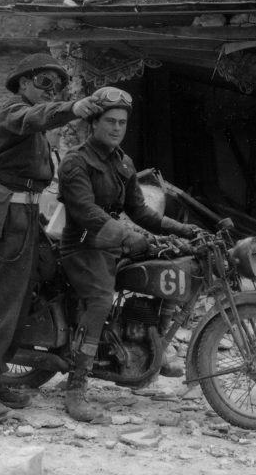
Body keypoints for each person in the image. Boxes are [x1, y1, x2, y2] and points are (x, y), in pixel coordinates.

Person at [0, 53, 102, 423]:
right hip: (3, 218)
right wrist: (74, 107)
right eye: (44, 82)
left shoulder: (35, 130)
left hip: (25, 217)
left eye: (57, 86)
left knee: (22, 298)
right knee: (0, 300)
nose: (51, 90)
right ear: (23, 83)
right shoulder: (11, 113)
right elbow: (36, 116)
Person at [58, 86, 199, 422]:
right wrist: (127, 236)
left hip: (112, 243)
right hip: (83, 244)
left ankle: (154, 349)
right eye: (110, 121)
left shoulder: (123, 162)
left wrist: (182, 229)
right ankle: (76, 387)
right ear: (94, 123)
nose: (117, 128)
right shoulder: (76, 161)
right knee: (100, 300)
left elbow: (140, 211)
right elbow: (86, 211)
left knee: (164, 268)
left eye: (122, 122)